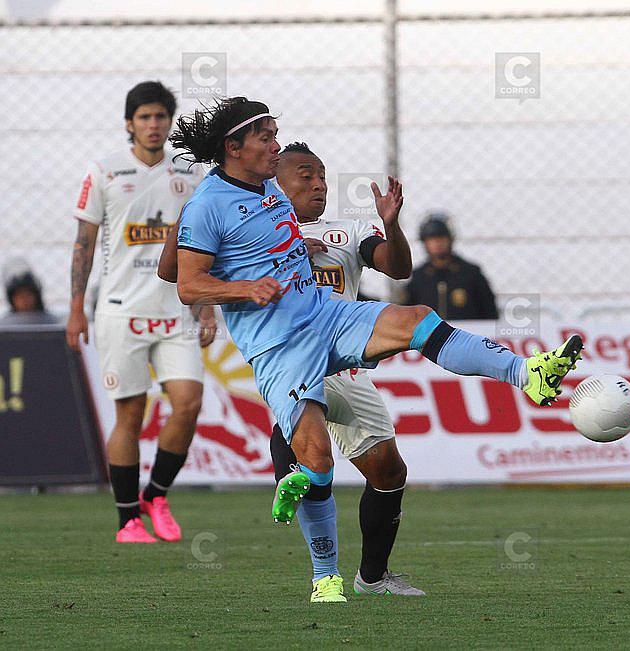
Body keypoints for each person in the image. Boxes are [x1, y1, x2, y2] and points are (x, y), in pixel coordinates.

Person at [167, 97, 582, 603]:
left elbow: (286, 237)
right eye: (267, 137)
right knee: (319, 460)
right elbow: (188, 285)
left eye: (277, 135)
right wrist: (243, 289)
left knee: (416, 320)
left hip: (325, 313)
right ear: (233, 148)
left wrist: (307, 247)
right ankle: (325, 574)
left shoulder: (271, 187)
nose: (277, 146)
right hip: (278, 344)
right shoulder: (208, 202)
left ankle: (528, 374)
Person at [158, 141, 423, 595]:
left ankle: (372, 577)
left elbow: (396, 269)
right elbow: (174, 273)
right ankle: (311, 536)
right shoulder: (243, 227)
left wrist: (391, 226)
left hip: (347, 365)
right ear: (273, 180)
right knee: (303, 423)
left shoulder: (348, 230)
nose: (318, 184)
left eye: (322, 175)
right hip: (287, 356)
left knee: (389, 472)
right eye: (305, 175)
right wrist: (198, 206)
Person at [66, 81, 216, 544]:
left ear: (170, 122)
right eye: (144, 117)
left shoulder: (190, 175)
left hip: (176, 312)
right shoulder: (105, 171)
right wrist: (77, 310)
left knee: (188, 403)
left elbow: (208, 246)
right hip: (119, 312)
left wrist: (206, 303)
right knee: (130, 415)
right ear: (129, 122)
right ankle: (128, 519)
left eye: (160, 117)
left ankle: (157, 494)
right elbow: (83, 245)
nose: (153, 125)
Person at [403, 212, 499, 320]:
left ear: (450, 239)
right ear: (424, 242)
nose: (437, 243)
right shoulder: (419, 277)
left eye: (441, 237)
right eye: (431, 239)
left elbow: (490, 313)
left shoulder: (470, 273)